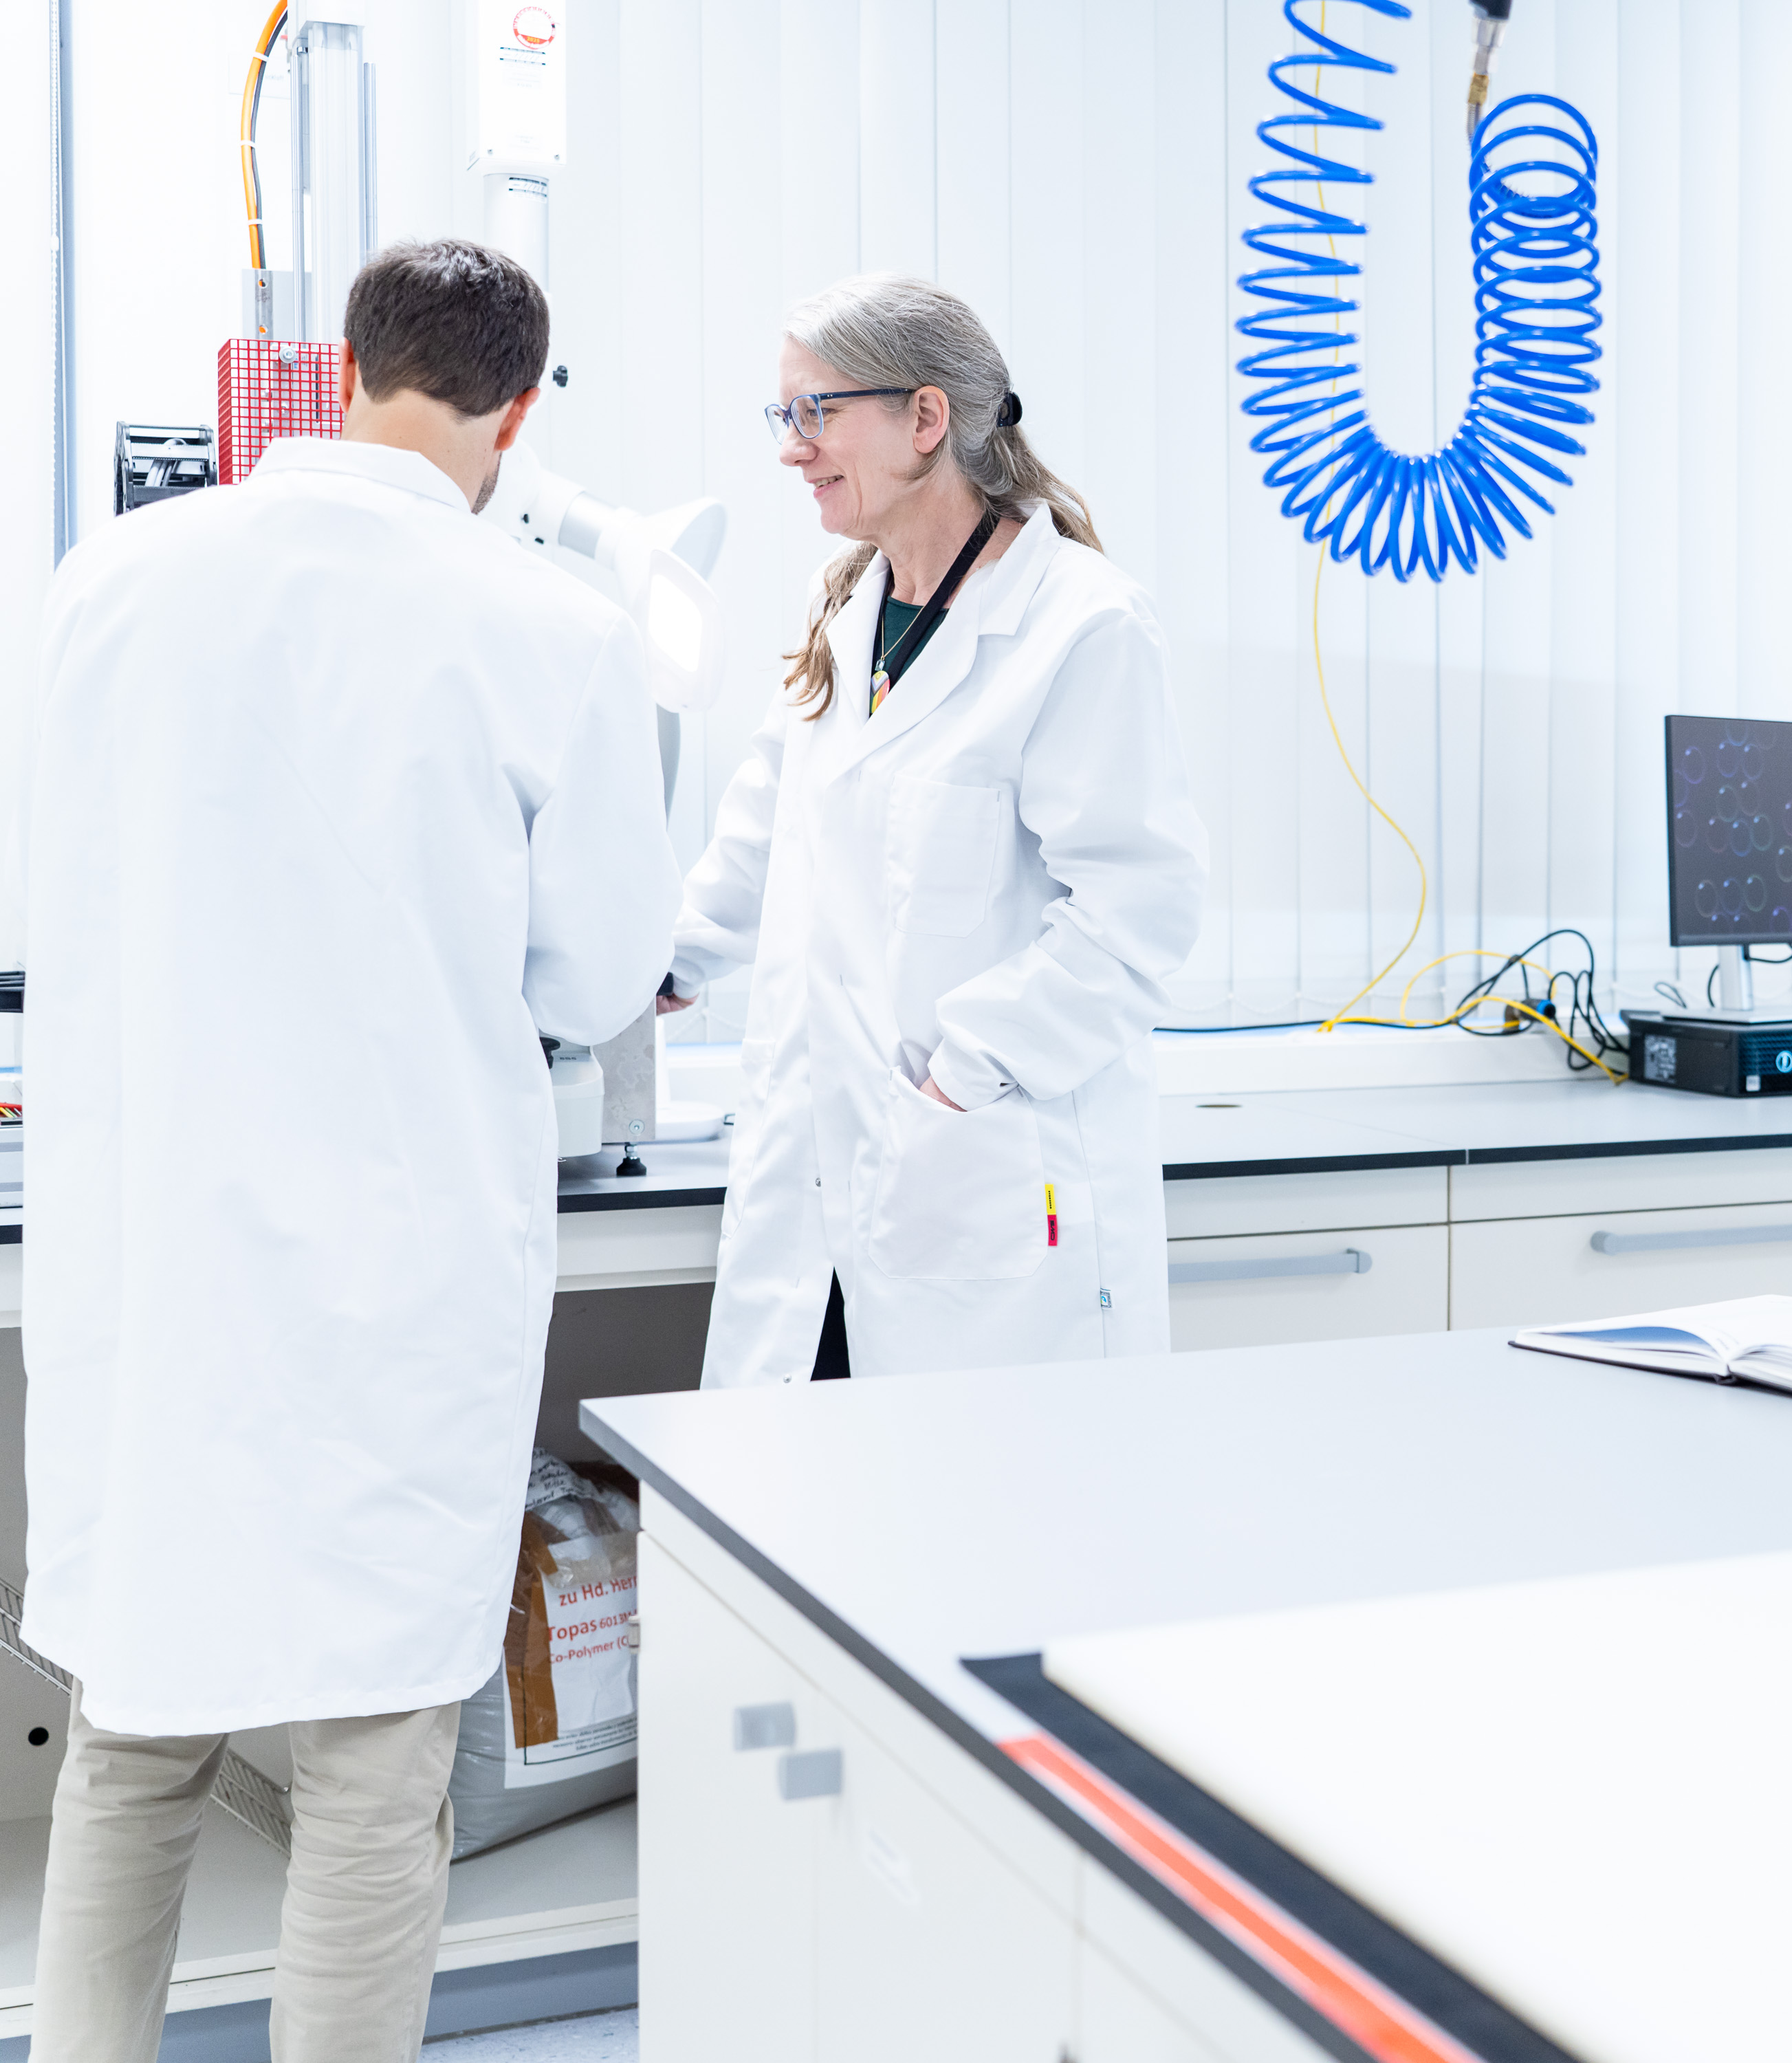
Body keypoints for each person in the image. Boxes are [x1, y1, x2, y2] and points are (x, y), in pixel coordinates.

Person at [22, 239, 679, 2058]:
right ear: (518, 413)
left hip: (157, 1271)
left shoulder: (113, 579)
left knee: (133, 1748)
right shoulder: (552, 628)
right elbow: (601, 973)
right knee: (376, 1782)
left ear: (345, 364)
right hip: (396, 1290)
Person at [661, 275, 1207, 1384]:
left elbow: (1137, 914)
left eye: (816, 413)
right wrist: (656, 965)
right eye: (784, 415)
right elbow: (765, 840)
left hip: (972, 1172)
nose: (792, 448)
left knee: (969, 1488)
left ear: (925, 418)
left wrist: (960, 1078)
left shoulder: (1079, 624)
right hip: (815, 1188)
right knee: (795, 1479)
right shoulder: (845, 610)